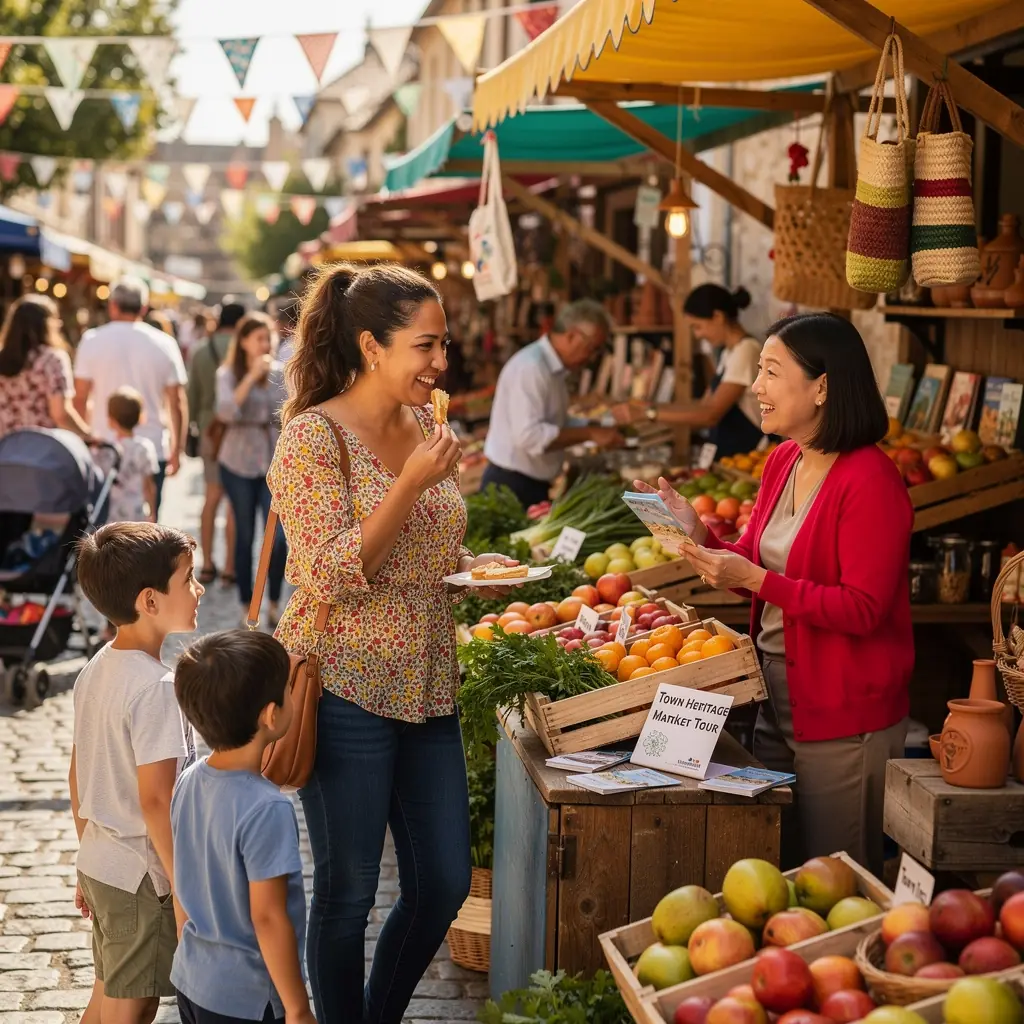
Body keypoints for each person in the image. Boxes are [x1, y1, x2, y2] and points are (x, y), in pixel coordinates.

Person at [268, 262, 518, 1024]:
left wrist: (475, 567)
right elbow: (330, 572)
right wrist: (408, 483)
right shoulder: (313, 439)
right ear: (372, 346)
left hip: (428, 681)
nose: (442, 364)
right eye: (427, 346)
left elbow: (428, 549)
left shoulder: (425, 425)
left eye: (443, 346)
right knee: (345, 892)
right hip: (342, 685)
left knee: (444, 881)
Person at [633, 312, 912, 875]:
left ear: (822, 386)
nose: (755, 386)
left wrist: (757, 581)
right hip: (776, 698)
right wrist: (694, 530)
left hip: (842, 714)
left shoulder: (871, 480)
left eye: (770, 371)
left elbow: (863, 608)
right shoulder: (784, 460)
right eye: (757, 369)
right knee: (776, 869)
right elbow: (756, 561)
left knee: (835, 878)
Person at [68, 522, 204, 1024]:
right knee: (134, 1005)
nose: (199, 589)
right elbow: (156, 800)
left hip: (104, 863)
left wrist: (88, 852)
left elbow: (76, 774)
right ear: (150, 600)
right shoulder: (156, 688)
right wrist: (184, 892)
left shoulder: (97, 666)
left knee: (108, 997)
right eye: (188, 579)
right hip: (141, 878)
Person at [171, 630, 313, 1024]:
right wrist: (299, 1009)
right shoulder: (268, 807)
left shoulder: (190, 779)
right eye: (288, 690)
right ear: (271, 714)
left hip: (192, 977)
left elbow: (183, 877)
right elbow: (268, 917)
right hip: (246, 999)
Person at [481, 299, 624, 508]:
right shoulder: (532, 368)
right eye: (592, 348)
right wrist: (590, 434)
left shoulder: (552, 369)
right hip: (512, 485)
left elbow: (558, 422)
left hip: (527, 482)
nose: (592, 358)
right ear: (573, 335)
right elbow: (530, 436)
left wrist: (594, 426)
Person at [73, 277, 188, 519]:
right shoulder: (165, 343)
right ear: (144, 308)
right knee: (147, 526)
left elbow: (80, 398)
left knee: (102, 529)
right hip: (152, 446)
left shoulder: (92, 340)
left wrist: (82, 439)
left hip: (102, 447)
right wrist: (177, 449)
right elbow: (176, 402)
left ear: (113, 305)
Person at [616, 284, 766, 457]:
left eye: (698, 326)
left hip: (749, 457)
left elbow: (710, 415)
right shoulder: (729, 353)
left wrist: (649, 414)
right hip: (731, 456)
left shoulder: (746, 351)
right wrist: (652, 406)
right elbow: (702, 406)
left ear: (717, 317)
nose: (698, 335)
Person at [215, 312, 287, 626]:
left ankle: (272, 601)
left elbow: (292, 410)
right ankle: (248, 604)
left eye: (268, 337)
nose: (265, 344)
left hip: (273, 460)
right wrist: (248, 378)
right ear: (243, 342)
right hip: (238, 460)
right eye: (258, 338)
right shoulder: (228, 373)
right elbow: (226, 412)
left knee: (277, 537)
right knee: (245, 534)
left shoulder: (283, 372)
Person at [188, 304, 242, 586]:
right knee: (234, 504)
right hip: (240, 432)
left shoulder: (200, 350)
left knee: (211, 499)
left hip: (210, 431)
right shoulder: (244, 350)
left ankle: (207, 563)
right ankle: (231, 567)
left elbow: (192, 397)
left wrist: (195, 426)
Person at [0, 294, 92, 440]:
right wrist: (88, 436)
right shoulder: (52, 359)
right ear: (48, 324)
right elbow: (60, 414)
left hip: (6, 450)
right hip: (43, 451)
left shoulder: (3, 359)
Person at [106, 387, 159, 524]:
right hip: (136, 511)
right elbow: (149, 485)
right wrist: (152, 512)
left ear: (111, 419)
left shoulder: (106, 448)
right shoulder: (144, 447)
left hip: (111, 512)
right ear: (140, 417)